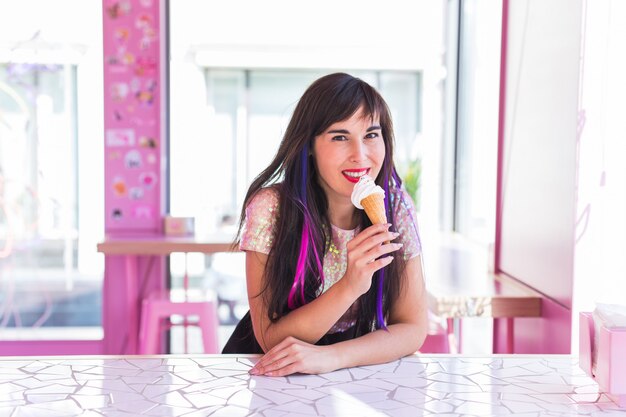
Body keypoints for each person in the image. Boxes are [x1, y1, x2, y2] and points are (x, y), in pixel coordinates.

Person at [222, 72, 428, 376]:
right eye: (340, 137)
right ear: (308, 145)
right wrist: (350, 285)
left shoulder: (396, 207)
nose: (361, 156)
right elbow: (269, 338)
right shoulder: (272, 208)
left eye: (371, 135)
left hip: (345, 366)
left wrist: (333, 357)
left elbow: (412, 327)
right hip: (268, 369)